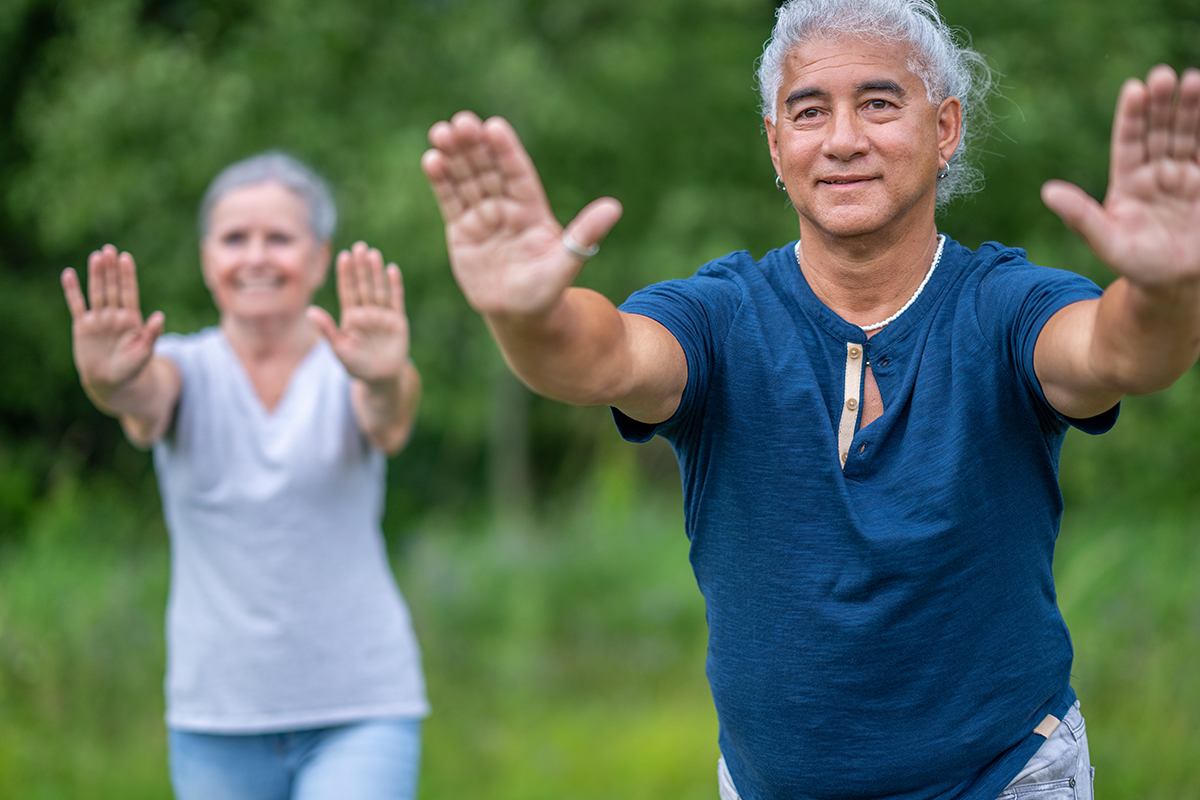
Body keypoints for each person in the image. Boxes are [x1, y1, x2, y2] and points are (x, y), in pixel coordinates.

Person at [419, 0, 1200, 797]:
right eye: (809, 111)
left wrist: (1167, 291)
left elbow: (1118, 352)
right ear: (775, 144)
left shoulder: (1004, 305)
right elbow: (602, 358)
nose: (842, 139)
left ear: (946, 128)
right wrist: (528, 316)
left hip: (1004, 776)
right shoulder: (720, 315)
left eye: (879, 103)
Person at [60, 152, 428, 800]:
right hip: (216, 718)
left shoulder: (358, 369)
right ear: (208, 259)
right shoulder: (180, 367)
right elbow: (141, 400)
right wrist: (110, 383)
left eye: (279, 238)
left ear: (319, 257)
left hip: (361, 706)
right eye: (235, 239)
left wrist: (382, 377)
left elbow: (389, 418)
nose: (256, 257)